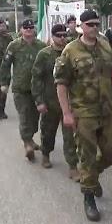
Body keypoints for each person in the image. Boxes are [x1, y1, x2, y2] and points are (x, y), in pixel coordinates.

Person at [54, 9, 112, 222]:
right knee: (87, 156)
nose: (94, 28)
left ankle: (91, 176)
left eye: (97, 24)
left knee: (111, 153)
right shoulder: (70, 50)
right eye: (90, 24)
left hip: (107, 110)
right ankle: (88, 195)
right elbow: (61, 84)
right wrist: (66, 113)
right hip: (84, 112)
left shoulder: (105, 45)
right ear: (81, 26)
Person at [31, 23, 79, 179]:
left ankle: (73, 166)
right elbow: (36, 79)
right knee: (48, 132)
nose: (63, 38)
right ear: (52, 37)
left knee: (70, 136)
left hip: (69, 102)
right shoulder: (44, 54)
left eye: (65, 35)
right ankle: (45, 154)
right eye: (59, 35)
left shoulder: (71, 52)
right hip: (50, 101)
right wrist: (39, 101)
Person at [0, 19, 46, 160]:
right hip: (21, 88)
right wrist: (4, 82)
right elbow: (5, 65)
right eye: (25, 27)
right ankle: (27, 143)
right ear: (21, 30)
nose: (28, 29)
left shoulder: (41, 46)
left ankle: (30, 138)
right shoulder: (14, 46)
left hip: (38, 89)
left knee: (34, 118)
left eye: (31, 27)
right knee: (25, 116)